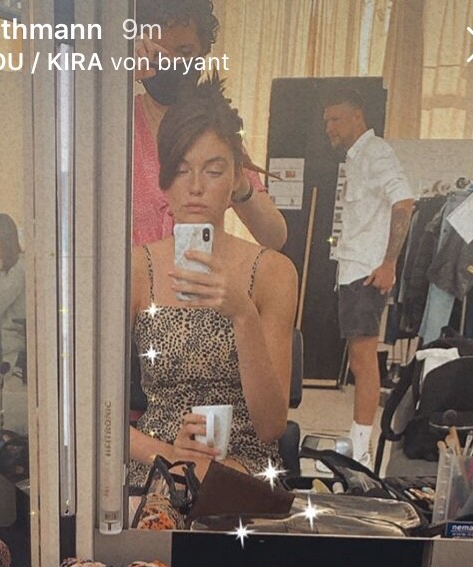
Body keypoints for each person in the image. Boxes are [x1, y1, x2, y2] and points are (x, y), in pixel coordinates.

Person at [129, 82, 297, 487]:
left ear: (237, 178)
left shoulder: (273, 272)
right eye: (180, 170)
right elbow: (97, 414)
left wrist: (243, 315)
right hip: (158, 461)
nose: (196, 187)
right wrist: (171, 456)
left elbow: (271, 426)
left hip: (243, 466)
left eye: (214, 170)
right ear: (163, 180)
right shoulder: (136, 268)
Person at [132, 0, 287, 252]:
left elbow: (274, 236)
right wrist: (117, 77)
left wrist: (240, 183)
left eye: (184, 51)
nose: (170, 62)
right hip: (132, 277)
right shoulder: (117, 126)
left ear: (203, 51)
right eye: (158, 53)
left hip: (201, 274)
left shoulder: (215, 125)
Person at [323, 89, 414, 467]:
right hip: (352, 269)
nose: (329, 128)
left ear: (357, 117)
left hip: (366, 271)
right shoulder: (355, 159)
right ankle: (355, 440)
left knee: (363, 362)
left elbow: (404, 202)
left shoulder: (376, 152)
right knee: (358, 362)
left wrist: (389, 263)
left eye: (336, 120)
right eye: (326, 121)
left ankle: (360, 448)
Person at [0, 213, 26, 373]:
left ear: (3, 239)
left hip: (13, 337)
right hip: (4, 333)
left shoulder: (19, 270)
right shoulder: (5, 270)